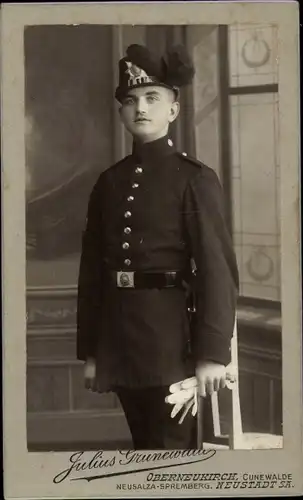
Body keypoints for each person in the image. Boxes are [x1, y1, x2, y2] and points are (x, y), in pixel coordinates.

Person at [76, 44, 239, 450]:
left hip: (173, 345)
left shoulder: (194, 179)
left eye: (152, 98)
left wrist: (212, 355)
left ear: (173, 110)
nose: (140, 108)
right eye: (130, 100)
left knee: (170, 458)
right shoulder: (109, 183)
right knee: (143, 450)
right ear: (121, 113)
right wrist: (93, 352)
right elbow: (93, 272)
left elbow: (218, 270)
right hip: (121, 342)